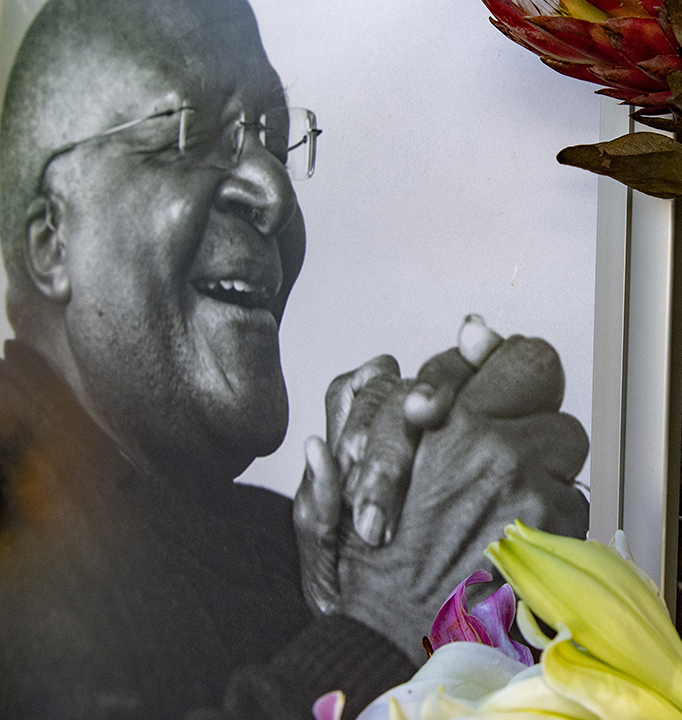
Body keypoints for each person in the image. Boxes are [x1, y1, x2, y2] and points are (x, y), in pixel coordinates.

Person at [0, 0, 590, 717]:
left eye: (276, 144)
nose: (275, 192)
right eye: (191, 137)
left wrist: (353, 590)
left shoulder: (274, 547)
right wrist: (383, 620)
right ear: (51, 240)